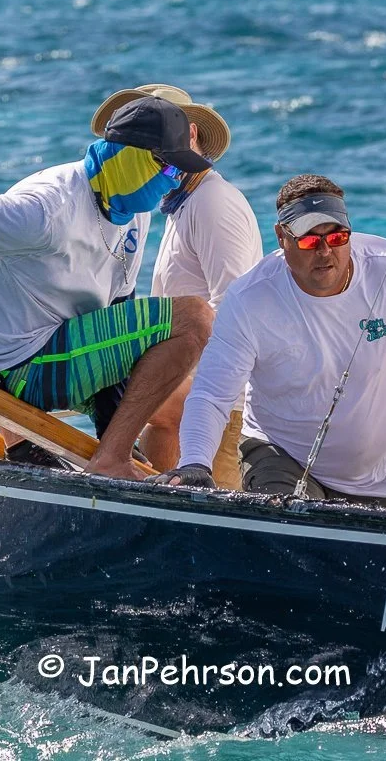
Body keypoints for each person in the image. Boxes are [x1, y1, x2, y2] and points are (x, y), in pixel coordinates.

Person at [0, 97, 216, 478]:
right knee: (195, 318)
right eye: (168, 167)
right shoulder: (46, 209)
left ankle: (116, 455)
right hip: (10, 364)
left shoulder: (133, 216)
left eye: (180, 172)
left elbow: (114, 319)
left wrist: (111, 430)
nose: (175, 179)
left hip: (53, 347)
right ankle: (109, 460)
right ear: (130, 157)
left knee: (176, 400)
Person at [163, 174, 386, 510]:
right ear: (281, 237)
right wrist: (195, 463)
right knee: (295, 528)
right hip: (281, 455)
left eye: (336, 237)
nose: (324, 251)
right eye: (308, 239)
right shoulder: (250, 298)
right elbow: (212, 394)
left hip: (385, 479)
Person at [90, 84, 262, 488]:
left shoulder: (213, 203)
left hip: (216, 414)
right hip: (187, 408)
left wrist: (167, 393)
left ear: (190, 137)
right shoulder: (179, 202)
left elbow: (238, 309)